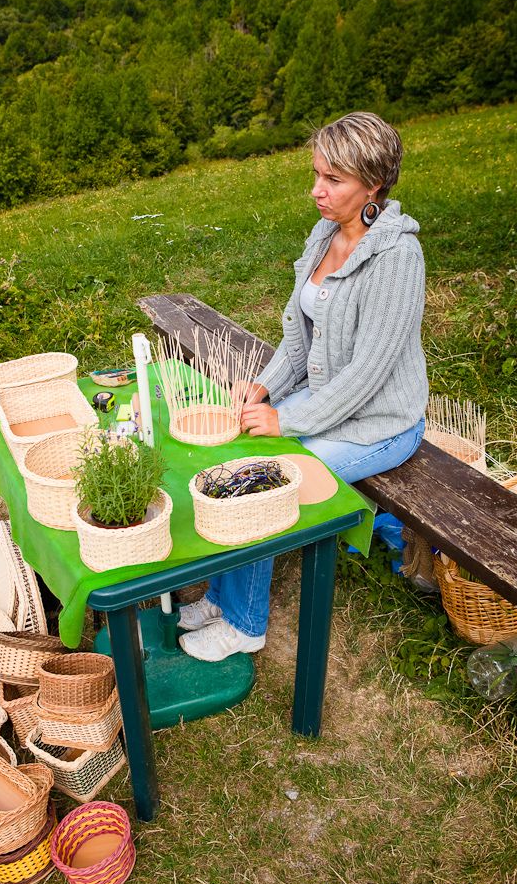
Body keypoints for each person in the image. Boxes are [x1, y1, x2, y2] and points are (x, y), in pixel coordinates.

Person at [178, 111, 428, 662]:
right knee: (243, 450)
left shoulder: (398, 258)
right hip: (330, 402)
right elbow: (298, 338)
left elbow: (369, 375)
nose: (316, 191)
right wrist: (264, 389)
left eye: (333, 180)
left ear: (374, 184)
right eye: (316, 174)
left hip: (383, 422)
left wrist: (287, 421)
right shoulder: (324, 236)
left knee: (271, 478)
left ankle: (246, 624)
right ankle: (223, 598)